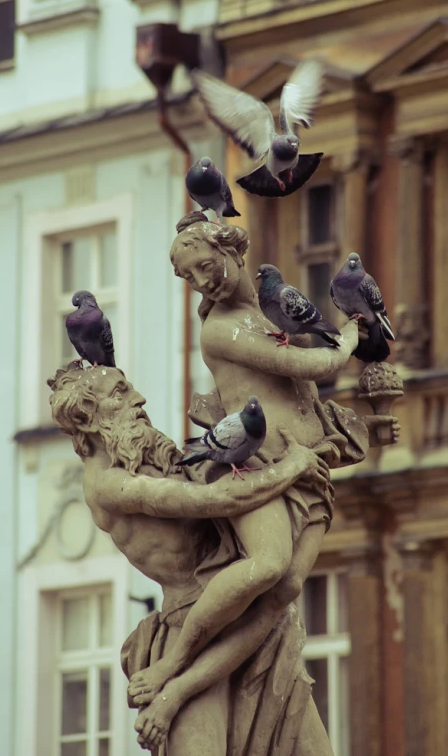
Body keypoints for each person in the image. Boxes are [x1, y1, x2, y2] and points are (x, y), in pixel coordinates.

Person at [128, 213, 398, 749]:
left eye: (206, 266)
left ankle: (192, 685)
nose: (203, 282)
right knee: (268, 564)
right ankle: (171, 674)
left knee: (285, 593)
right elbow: (310, 368)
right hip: (258, 466)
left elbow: (303, 400)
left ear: (232, 250)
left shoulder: (264, 312)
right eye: (191, 278)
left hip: (312, 468)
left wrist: (364, 424)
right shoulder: (221, 329)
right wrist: (348, 340)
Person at [48, 363, 339, 756]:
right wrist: (292, 467)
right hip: (191, 631)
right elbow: (213, 500)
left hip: (253, 616)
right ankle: (172, 690)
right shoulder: (108, 486)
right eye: (120, 393)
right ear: (88, 418)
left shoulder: (148, 452)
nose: (139, 399)